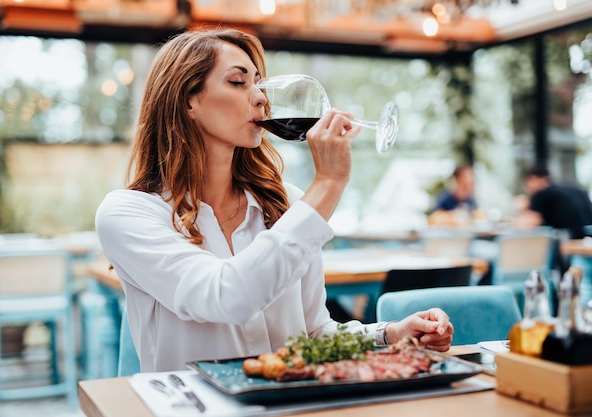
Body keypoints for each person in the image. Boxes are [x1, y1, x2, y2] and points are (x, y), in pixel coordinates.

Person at [95, 28, 453, 373]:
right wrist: (328, 182)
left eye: (259, 82)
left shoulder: (286, 204)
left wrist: (390, 334)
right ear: (188, 99)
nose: (261, 97)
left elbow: (313, 334)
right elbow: (227, 297)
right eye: (238, 82)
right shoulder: (129, 213)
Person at [513, 165, 592, 240]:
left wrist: (521, 210)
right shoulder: (573, 189)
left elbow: (527, 225)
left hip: (570, 238)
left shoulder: (542, 194)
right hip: (587, 237)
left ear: (532, 179)